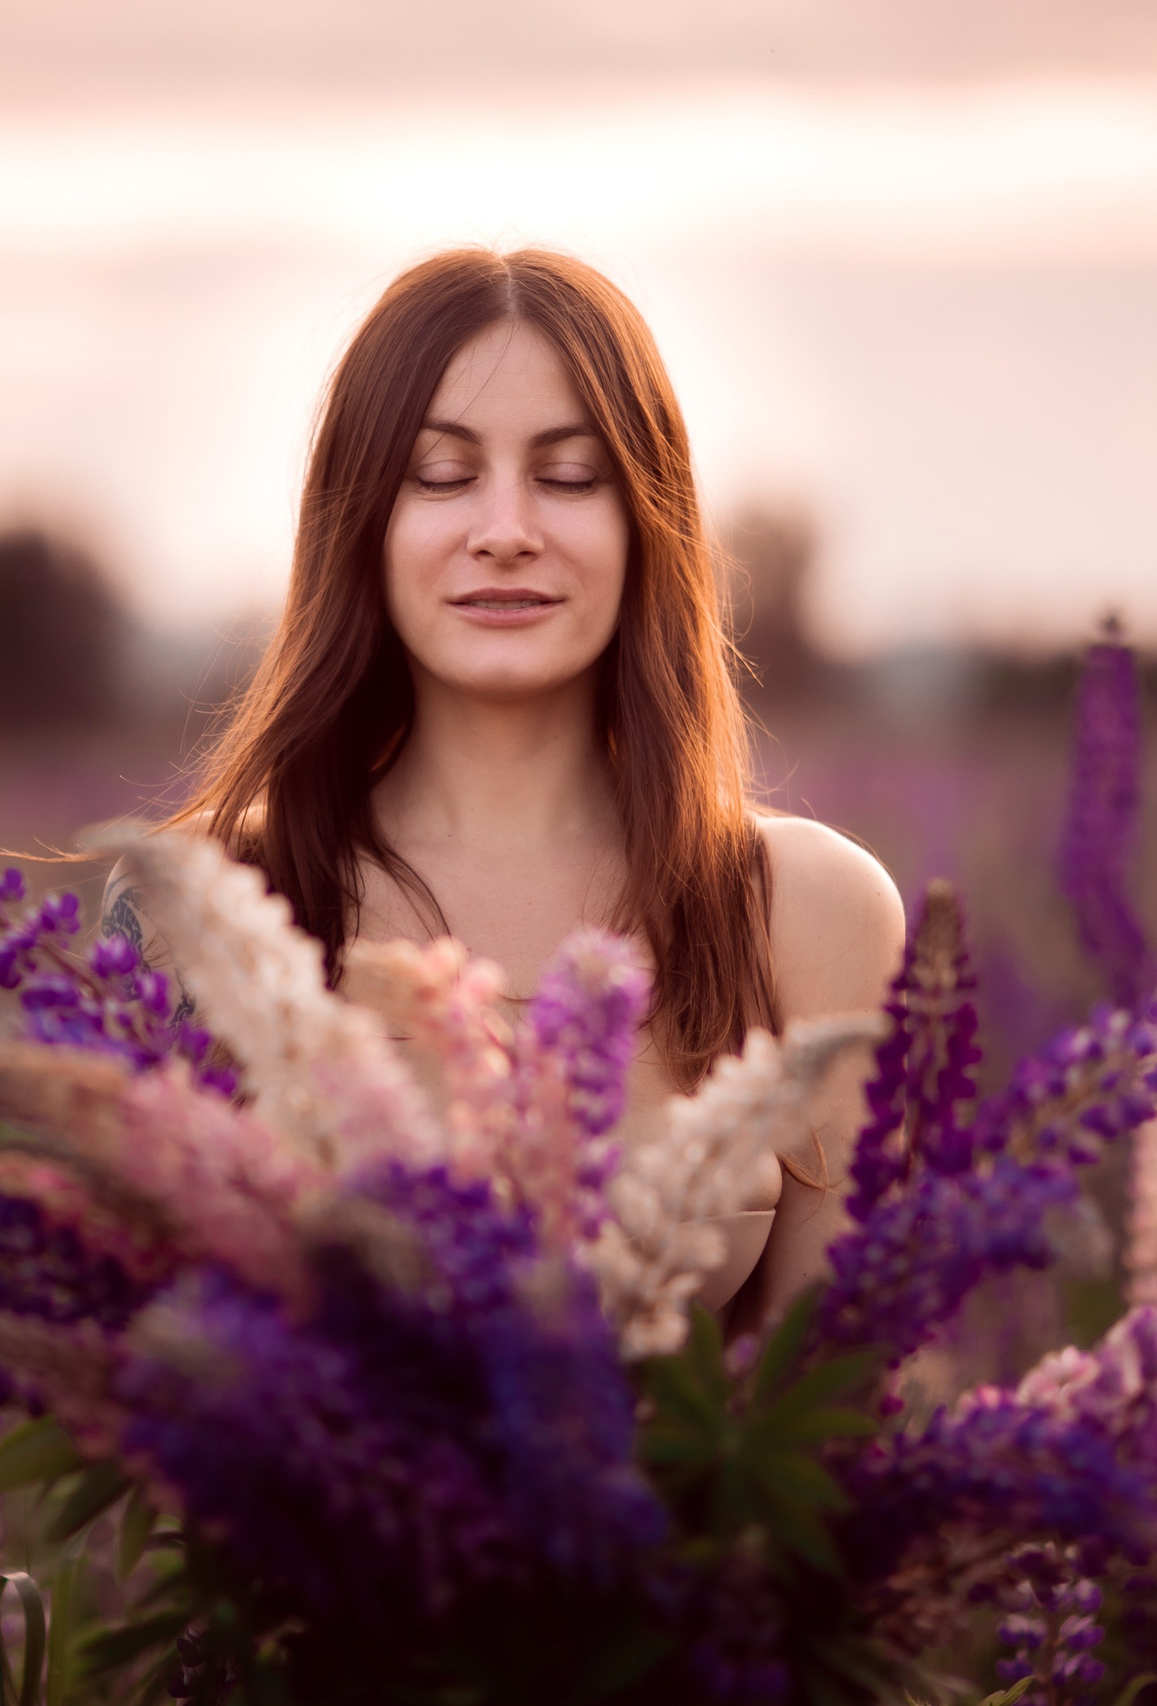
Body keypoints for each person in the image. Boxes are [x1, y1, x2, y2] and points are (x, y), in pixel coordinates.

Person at [107, 247, 904, 1323]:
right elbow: (128, 1390)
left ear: (644, 520)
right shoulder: (208, 895)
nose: (505, 530)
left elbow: (840, 1420)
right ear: (364, 524)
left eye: (570, 476)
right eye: (440, 476)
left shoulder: (804, 910)